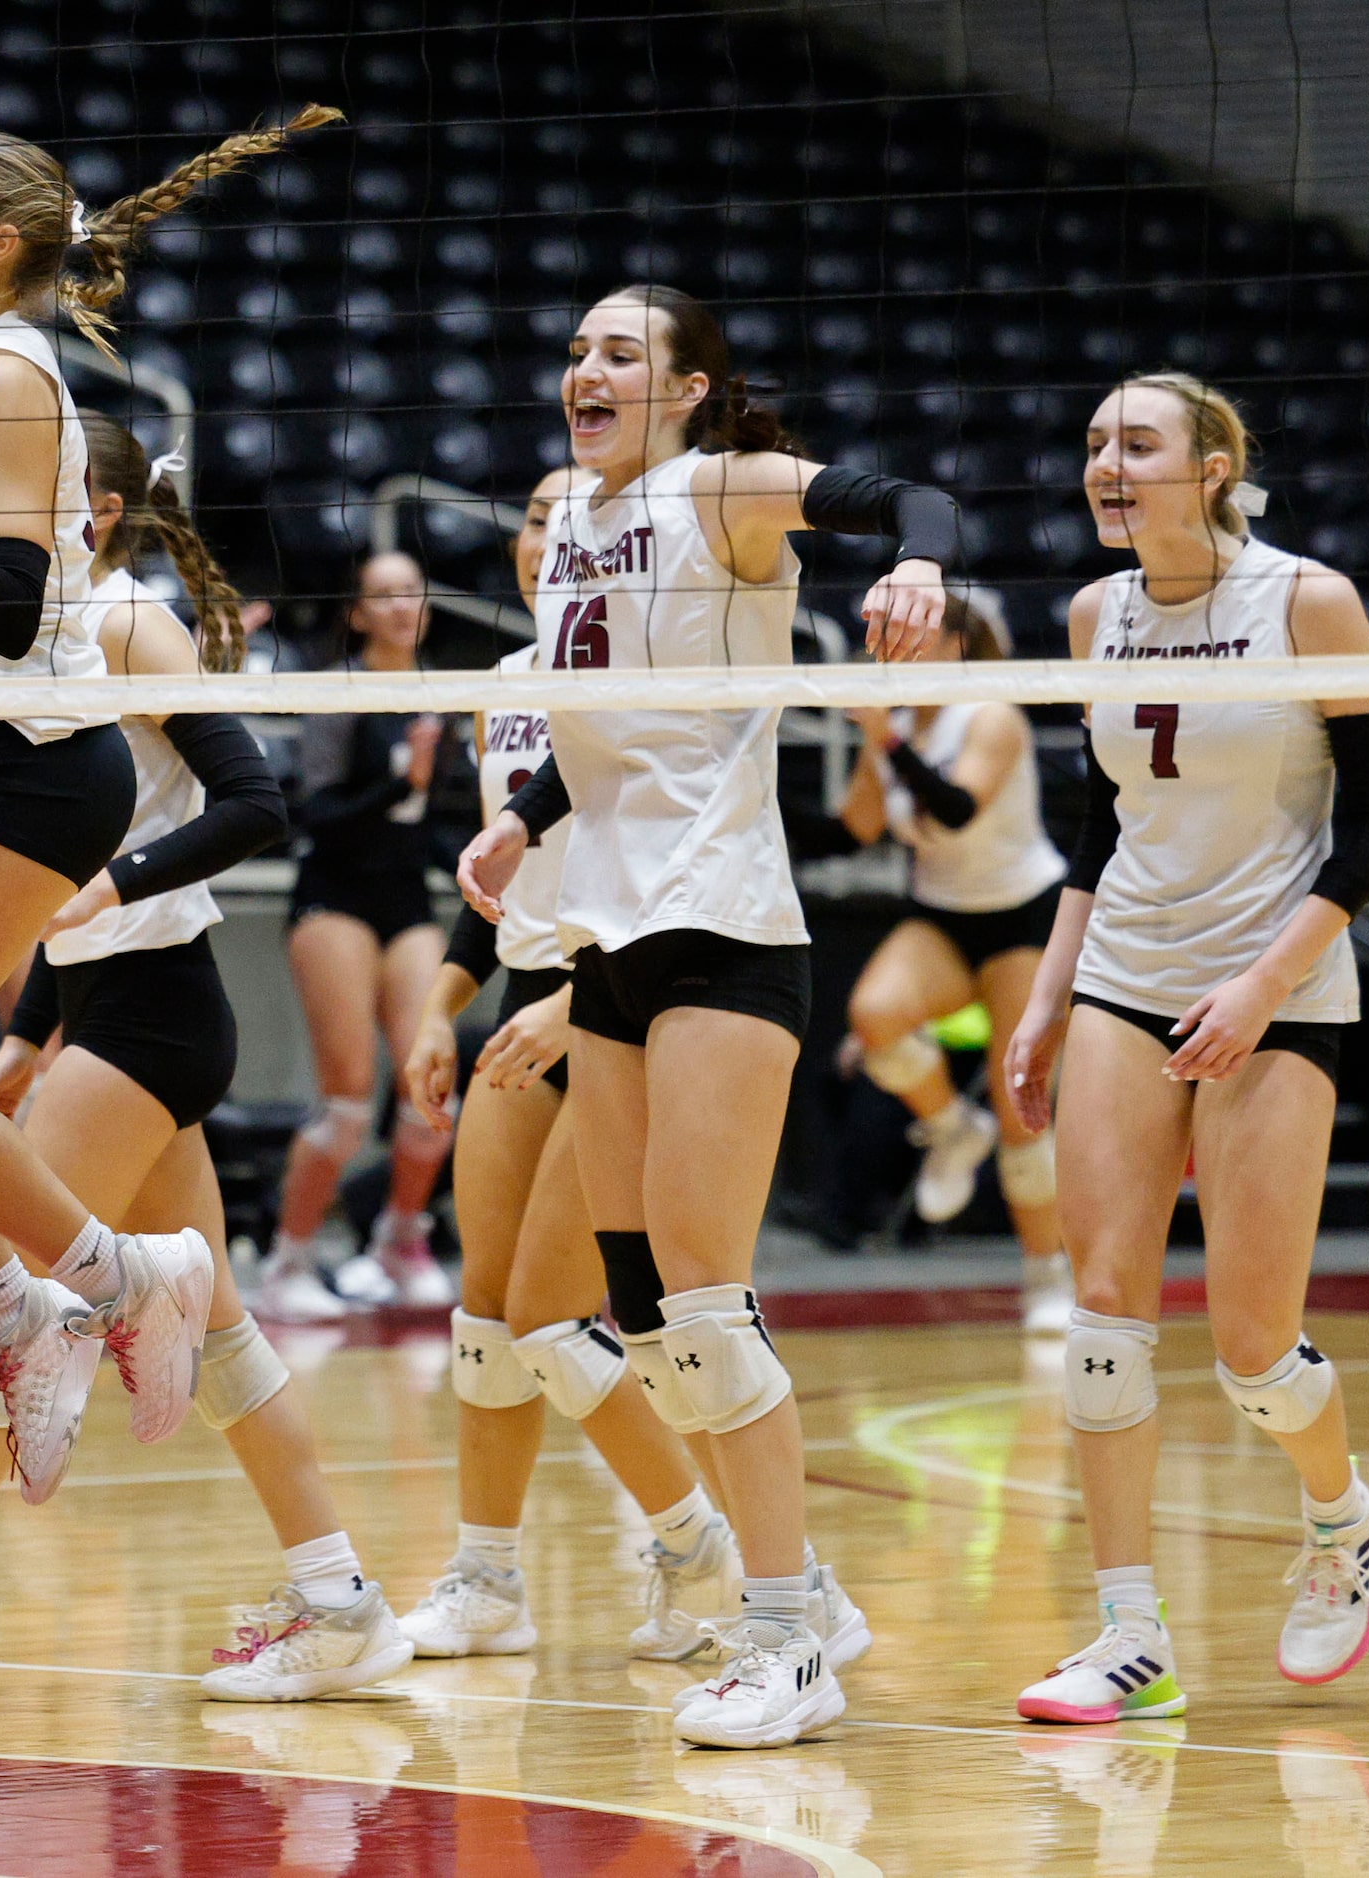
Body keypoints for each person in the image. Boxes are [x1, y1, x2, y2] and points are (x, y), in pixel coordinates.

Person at [0, 415, 407, 1700]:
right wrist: (35, 1032)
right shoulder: (23, 645)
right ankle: (341, 1602)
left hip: (160, 1003)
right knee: (209, 1330)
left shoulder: (125, 623)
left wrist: (115, 885)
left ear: (87, 513)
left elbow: (254, 802)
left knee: (13, 1301)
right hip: (100, 1008)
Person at [0, 108, 340, 1503]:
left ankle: (86, 1286)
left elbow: (21, 605)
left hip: (42, 762)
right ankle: (45, 1302)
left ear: (3, 237)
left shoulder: (9, 377)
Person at [459, 282, 953, 1749]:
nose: (582, 371)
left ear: (685, 386)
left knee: (702, 1292)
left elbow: (914, 493)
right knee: (639, 1313)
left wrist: (914, 575)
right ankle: (790, 1600)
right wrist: (520, 821)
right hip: (608, 936)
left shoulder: (720, 485)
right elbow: (614, 717)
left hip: (725, 929)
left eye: (617, 351)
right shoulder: (568, 531)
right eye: (572, 350)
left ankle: (789, 1631)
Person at [1004, 373, 1369, 1723]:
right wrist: (1050, 993)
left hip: (1274, 984)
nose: (1106, 465)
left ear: (1214, 465)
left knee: (1250, 1347)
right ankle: (1129, 1632)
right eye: (1093, 444)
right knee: (1103, 1322)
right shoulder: (1088, 612)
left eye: (1137, 444)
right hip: (1126, 972)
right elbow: (1092, 824)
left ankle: (1340, 1520)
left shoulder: (1305, 600)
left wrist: (1257, 984)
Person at [397, 467, 741, 1666]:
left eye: (567, 518)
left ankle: (709, 1544)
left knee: (579, 1320)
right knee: (486, 1321)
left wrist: (561, 998)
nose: (549, 535)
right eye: (532, 517)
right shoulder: (503, 692)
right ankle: (487, 1580)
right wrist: (445, 1005)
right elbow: (494, 889)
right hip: (519, 1006)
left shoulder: (639, 675)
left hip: (616, 1005)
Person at [834, 591, 1074, 1330]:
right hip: (942, 915)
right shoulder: (897, 723)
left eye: (914, 631)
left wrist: (888, 743)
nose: (894, 644)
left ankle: (1046, 1275)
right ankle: (949, 1129)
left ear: (957, 642)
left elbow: (956, 810)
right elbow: (857, 827)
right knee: (873, 1016)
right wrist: (874, 743)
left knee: (1021, 1106)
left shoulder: (991, 714)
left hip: (1024, 914)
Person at [256, 549, 459, 1321]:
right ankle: (289, 1261)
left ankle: (399, 1241)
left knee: (431, 1093)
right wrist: (397, 783)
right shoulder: (341, 693)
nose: (404, 605)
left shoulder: (446, 691)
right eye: (385, 595)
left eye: (414, 590)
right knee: (347, 1103)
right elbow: (316, 816)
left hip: (406, 897)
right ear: (359, 613)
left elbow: (433, 821)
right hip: (334, 895)